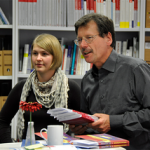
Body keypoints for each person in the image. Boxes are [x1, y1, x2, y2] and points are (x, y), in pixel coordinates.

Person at [69, 13, 150, 150]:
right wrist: (81, 127)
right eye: (79, 40)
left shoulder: (136, 69)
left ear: (108, 38)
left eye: (89, 38)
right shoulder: (87, 80)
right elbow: (89, 121)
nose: (82, 45)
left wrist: (113, 121)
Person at [0, 33, 81, 143]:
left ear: (55, 57)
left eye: (44, 54)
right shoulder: (22, 87)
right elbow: (2, 121)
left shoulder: (70, 88)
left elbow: (86, 125)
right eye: (35, 53)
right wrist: (8, 146)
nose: (38, 58)